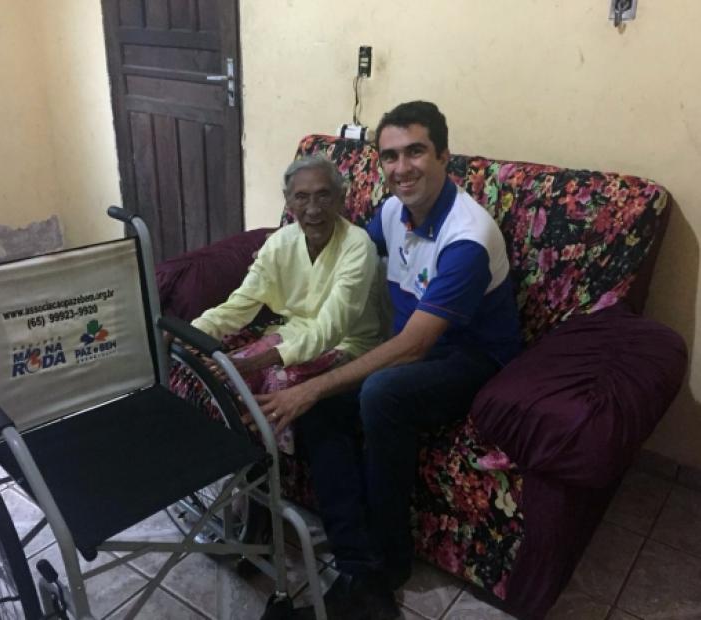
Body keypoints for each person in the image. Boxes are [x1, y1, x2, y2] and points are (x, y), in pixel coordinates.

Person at [256, 102, 522, 620]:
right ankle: (358, 566)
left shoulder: (467, 238)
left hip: (470, 359)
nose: (402, 168)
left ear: (444, 156)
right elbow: (348, 258)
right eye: (390, 156)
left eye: (416, 152)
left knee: (378, 393)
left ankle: (389, 562)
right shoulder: (391, 213)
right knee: (322, 404)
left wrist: (312, 385)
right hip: (411, 347)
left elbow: (416, 346)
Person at [188, 155, 385, 452]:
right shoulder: (280, 242)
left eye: (323, 195)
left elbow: (330, 330)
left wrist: (255, 362)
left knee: (275, 379)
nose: (313, 209)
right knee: (223, 380)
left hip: (349, 345)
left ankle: (273, 461)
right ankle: (235, 457)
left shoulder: (357, 245)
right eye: (302, 197)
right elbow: (242, 302)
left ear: (340, 198)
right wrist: (192, 332)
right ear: (288, 202)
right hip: (293, 335)